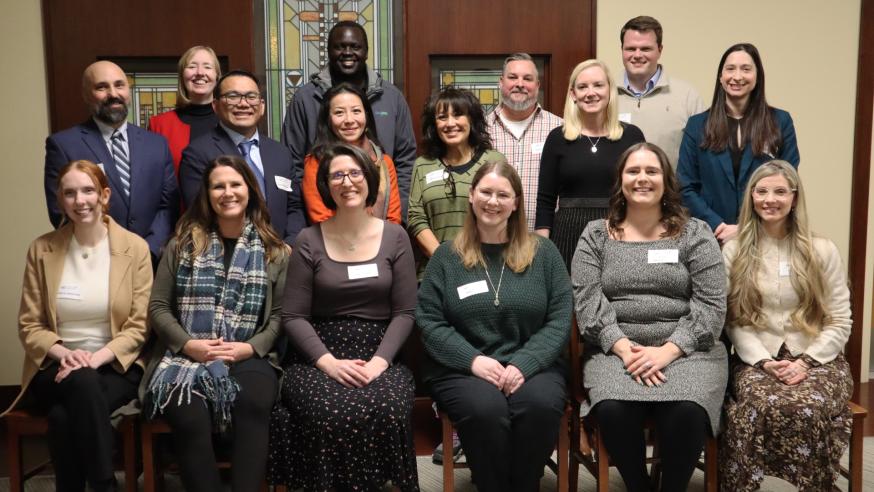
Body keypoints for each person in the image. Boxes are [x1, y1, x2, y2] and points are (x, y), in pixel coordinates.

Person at [572, 142, 727, 492]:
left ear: (665, 180)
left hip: (690, 352)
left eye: (651, 171)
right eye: (633, 171)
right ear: (620, 180)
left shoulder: (695, 233)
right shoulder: (595, 236)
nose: (642, 178)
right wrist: (625, 349)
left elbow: (712, 303)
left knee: (687, 410)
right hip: (616, 351)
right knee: (612, 409)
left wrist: (669, 350)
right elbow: (587, 300)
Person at [268, 143, 419, 491]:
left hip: (381, 352)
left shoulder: (396, 236)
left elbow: (405, 312)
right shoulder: (308, 239)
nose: (347, 182)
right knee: (331, 412)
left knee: (386, 406)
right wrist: (329, 363)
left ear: (368, 179)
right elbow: (293, 316)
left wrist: (379, 363)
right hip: (317, 354)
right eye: (337, 175)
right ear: (326, 186)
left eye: (354, 173)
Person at [416, 161, 572, 492]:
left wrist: (524, 363)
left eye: (503, 194)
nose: (493, 201)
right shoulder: (446, 257)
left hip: (534, 364)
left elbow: (560, 317)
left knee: (539, 405)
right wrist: (473, 360)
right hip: (462, 368)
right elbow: (429, 321)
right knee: (485, 409)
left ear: (516, 202)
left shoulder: (544, 253)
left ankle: (524, 484)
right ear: (471, 196)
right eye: (485, 192)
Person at [142, 155, 289, 492]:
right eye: (218, 186)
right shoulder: (181, 245)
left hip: (249, 356)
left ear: (249, 190)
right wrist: (189, 345)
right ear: (206, 195)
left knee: (253, 402)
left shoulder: (276, 252)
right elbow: (159, 307)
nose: (227, 192)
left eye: (235, 184)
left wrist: (250, 347)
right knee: (188, 412)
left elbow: (281, 317)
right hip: (185, 359)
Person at [7, 160, 152, 492]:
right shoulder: (42, 249)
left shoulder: (135, 248)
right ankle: (104, 483)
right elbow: (30, 325)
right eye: (69, 193)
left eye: (88, 190)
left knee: (63, 416)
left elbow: (139, 326)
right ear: (60, 201)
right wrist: (66, 356)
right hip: (53, 367)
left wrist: (94, 358)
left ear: (104, 195)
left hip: (115, 365)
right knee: (81, 383)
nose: (80, 200)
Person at [720, 161, 852, 491]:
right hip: (756, 359)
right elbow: (732, 319)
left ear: (794, 198)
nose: (770, 199)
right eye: (761, 191)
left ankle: (814, 485)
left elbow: (839, 319)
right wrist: (764, 361)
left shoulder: (822, 250)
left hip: (819, 359)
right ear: (751, 197)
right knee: (759, 404)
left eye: (780, 191)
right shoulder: (733, 250)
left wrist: (806, 362)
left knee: (809, 407)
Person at [44, 61, 179, 263]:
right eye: (101, 87)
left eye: (119, 85)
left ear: (128, 90)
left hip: (151, 263)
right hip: (93, 262)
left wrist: (147, 251)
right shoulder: (63, 145)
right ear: (86, 95)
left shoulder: (156, 144)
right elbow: (60, 210)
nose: (113, 94)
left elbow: (168, 206)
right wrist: (104, 253)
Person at [283, 20, 416, 217]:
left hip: (383, 221)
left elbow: (406, 161)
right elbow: (293, 164)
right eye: (339, 47)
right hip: (323, 222)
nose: (347, 52)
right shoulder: (305, 98)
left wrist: (396, 217)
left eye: (355, 47)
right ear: (328, 52)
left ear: (366, 52)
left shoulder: (391, 97)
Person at [677, 43, 800, 245]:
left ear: (757, 76)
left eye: (746, 69)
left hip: (765, 233)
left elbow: (788, 182)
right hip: (711, 237)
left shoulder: (780, 122)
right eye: (730, 68)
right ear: (720, 76)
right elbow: (685, 187)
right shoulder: (697, 125)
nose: (737, 76)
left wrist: (747, 228)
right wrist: (718, 226)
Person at [535, 59, 645, 270]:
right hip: (567, 233)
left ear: (610, 90)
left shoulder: (632, 136)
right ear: (572, 94)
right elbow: (545, 200)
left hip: (620, 231)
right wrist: (544, 249)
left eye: (598, 85)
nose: (590, 92)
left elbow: (643, 193)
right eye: (582, 87)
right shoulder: (557, 139)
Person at [179, 70, 306, 246]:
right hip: (227, 256)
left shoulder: (280, 153)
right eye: (233, 96)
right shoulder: (198, 153)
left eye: (251, 96)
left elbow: (294, 207)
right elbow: (200, 213)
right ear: (215, 106)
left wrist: (289, 244)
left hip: (281, 255)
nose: (243, 104)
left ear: (261, 106)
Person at [407, 86, 507, 275]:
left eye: (458, 114)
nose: (450, 123)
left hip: (486, 267)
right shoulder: (422, 165)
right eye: (442, 117)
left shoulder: (494, 161)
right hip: (435, 269)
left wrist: (473, 260)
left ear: (471, 119)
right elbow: (416, 218)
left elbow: (505, 213)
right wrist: (443, 261)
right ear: (434, 125)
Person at [301, 82, 402, 224]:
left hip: (383, 242)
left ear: (366, 116)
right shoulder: (317, 162)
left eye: (356, 111)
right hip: (333, 242)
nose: (349, 120)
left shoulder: (384, 162)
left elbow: (393, 219)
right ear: (328, 120)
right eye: (339, 113)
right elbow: (321, 219)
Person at [486, 53, 563, 230]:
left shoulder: (560, 129)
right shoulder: (481, 130)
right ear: (501, 82)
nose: (519, 84)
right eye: (512, 77)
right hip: (491, 238)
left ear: (537, 85)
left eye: (527, 78)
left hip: (545, 239)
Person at [616, 16, 704, 166]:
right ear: (622, 50)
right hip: (617, 189)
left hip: (673, 189)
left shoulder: (688, 97)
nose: (637, 55)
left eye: (645, 49)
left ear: (660, 50)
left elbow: (702, 155)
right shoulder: (604, 97)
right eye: (630, 48)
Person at [149, 45, 221, 173]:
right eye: (192, 66)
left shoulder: (231, 121)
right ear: (182, 75)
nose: (200, 72)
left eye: (207, 67)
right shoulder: (159, 125)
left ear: (217, 76)